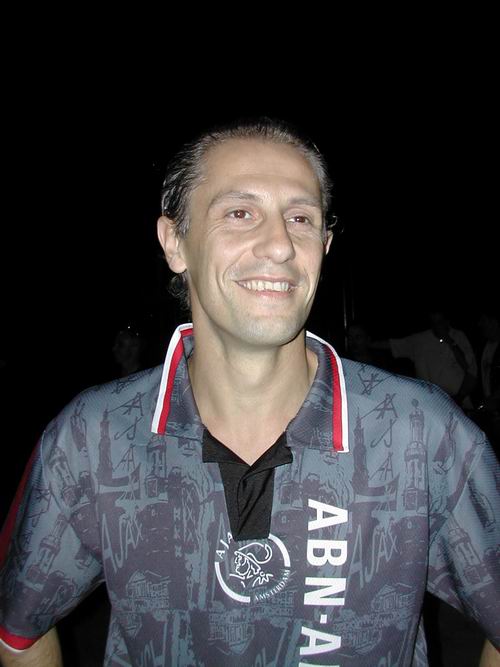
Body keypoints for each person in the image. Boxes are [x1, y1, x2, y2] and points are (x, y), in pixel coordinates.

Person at [0, 119, 498, 667]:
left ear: (325, 246)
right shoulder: (91, 436)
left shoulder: (421, 433)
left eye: (301, 218)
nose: (280, 245)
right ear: (175, 242)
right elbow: (19, 631)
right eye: (240, 213)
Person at [373, 309, 478, 408]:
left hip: (458, 402)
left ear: (447, 322)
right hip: (430, 403)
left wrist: (450, 341)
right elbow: (393, 345)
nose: (437, 326)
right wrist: (369, 344)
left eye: (440, 322)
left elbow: (469, 368)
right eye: (433, 323)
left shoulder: (459, 336)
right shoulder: (420, 340)